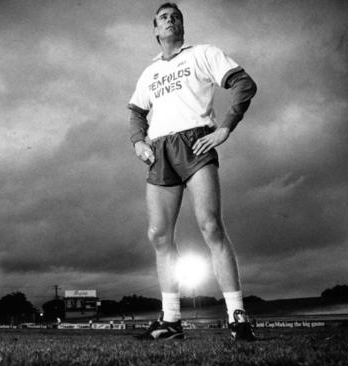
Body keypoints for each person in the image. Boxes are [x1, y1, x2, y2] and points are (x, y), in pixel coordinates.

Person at [128, 3, 257, 341]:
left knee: (211, 226)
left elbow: (244, 85)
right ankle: (171, 321)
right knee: (158, 235)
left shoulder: (202, 54)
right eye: (163, 17)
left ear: (182, 26)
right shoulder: (149, 73)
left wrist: (225, 129)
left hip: (196, 143)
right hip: (160, 152)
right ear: (155, 29)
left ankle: (237, 316)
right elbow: (136, 114)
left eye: (176, 16)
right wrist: (138, 143)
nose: (170, 20)